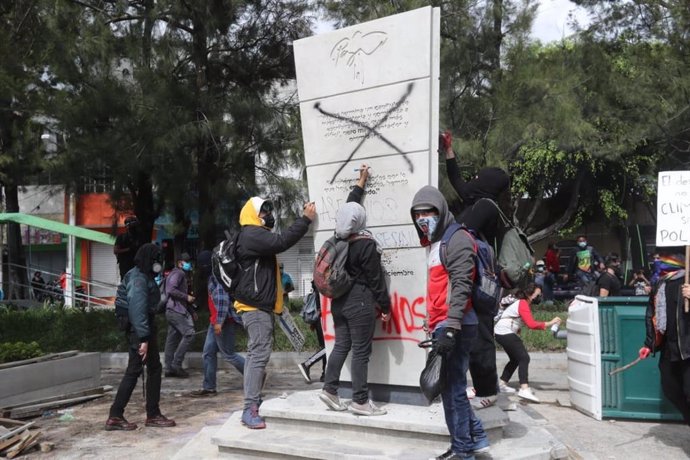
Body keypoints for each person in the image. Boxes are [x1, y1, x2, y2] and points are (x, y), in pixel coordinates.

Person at [411, 185, 489, 459]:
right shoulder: (436, 242)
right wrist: (430, 320)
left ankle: (462, 451)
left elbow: (461, 287)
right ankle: (477, 439)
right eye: (418, 214)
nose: (422, 218)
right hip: (443, 324)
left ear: (441, 210)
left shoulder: (457, 239)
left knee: (453, 390)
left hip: (454, 326)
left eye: (428, 211)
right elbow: (438, 288)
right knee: (451, 386)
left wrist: (450, 327)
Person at [233, 195, 316, 429]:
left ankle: (252, 401)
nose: (267, 215)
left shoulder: (254, 235)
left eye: (268, 210)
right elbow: (282, 241)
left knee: (255, 355)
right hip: (255, 308)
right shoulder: (251, 233)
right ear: (251, 214)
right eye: (263, 211)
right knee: (258, 355)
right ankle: (249, 408)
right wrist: (305, 220)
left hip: (258, 306)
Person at [442, 131, 510, 411]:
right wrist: (449, 152)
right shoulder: (481, 203)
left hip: (479, 281)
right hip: (473, 278)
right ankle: (483, 385)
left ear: (488, 185)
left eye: (479, 179)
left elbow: (462, 232)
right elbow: (459, 183)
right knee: (472, 333)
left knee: (481, 336)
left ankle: (488, 390)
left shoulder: (484, 207)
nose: (474, 182)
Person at [319, 165, 392, 416]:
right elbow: (376, 280)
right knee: (361, 351)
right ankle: (360, 401)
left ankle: (329, 390)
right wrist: (385, 307)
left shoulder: (339, 239)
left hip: (338, 302)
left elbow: (350, 208)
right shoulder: (365, 245)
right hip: (360, 302)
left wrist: (361, 181)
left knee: (341, 346)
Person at [105, 243, 176, 430]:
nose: (159, 263)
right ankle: (115, 416)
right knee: (134, 370)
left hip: (143, 329)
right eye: (157, 259)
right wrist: (143, 339)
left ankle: (152, 414)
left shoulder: (143, 275)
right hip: (139, 330)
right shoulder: (138, 279)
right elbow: (138, 311)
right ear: (149, 260)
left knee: (154, 368)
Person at [639, 248, 690, 425]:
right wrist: (649, 343)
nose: (659, 260)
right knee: (670, 388)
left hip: (688, 349)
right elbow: (652, 314)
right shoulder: (660, 283)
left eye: (663, 256)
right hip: (670, 348)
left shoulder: (688, 281)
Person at [190, 250, 245, 397]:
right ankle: (209, 387)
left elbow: (222, 300)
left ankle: (255, 374)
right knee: (208, 352)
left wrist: (219, 322)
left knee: (229, 354)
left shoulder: (215, 276)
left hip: (223, 320)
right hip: (215, 320)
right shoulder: (213, 275)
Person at [494, 284, 561, 403]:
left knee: (515, 359)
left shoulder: (523, 303)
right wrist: (550, 322)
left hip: (501, 332)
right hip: (504, 332)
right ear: (530, 294)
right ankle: (524, 388)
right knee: (524, 358)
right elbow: (531, 324)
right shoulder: (523, 303)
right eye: (538, 294)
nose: (539, 297)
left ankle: (502, 384)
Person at [164, 252, 196, 378]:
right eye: (186, 261)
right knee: (189, 334)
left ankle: (168, 368)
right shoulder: (179, 273)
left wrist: (192, 311)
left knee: (171, 340)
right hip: (176, 310)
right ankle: (176, 365)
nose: (189, 264)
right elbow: (171, 290)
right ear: (180, 263)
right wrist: (187, 296)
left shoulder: (176, 273)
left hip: (174, 310)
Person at [297, 281, 326, 384]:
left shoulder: (319, 277)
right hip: (324, 319)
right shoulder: (324, 280)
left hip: (321, 319)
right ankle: (307, 364)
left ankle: (325, 374)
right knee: (329, 347)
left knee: (325, 347)